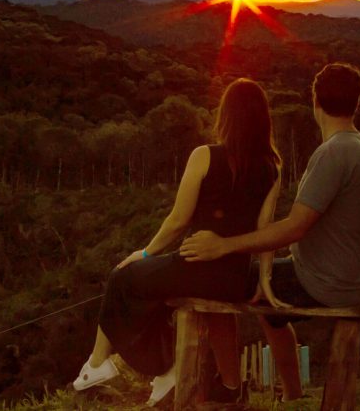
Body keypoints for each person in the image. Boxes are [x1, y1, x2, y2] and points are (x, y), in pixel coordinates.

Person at [181, 62, 360, 402]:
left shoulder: (333, 153)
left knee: (221, 279)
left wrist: (224, 246)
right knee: (269, 306)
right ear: (356, 103)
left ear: (315, 102)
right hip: (354, 278)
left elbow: (294, 227)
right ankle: (292, 396)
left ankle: (227, 388)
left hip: (324, 282)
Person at [73, 78, 281, 406]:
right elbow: (266, 231)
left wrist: (143, 253)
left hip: (197, 265)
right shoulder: (272, 168)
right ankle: (228, 388)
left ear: (226, 116)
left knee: (122, 277)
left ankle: (100, 363)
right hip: (233, 278)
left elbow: (178, 221)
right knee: (196, 305)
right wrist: (264, 278)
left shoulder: (204, 156)